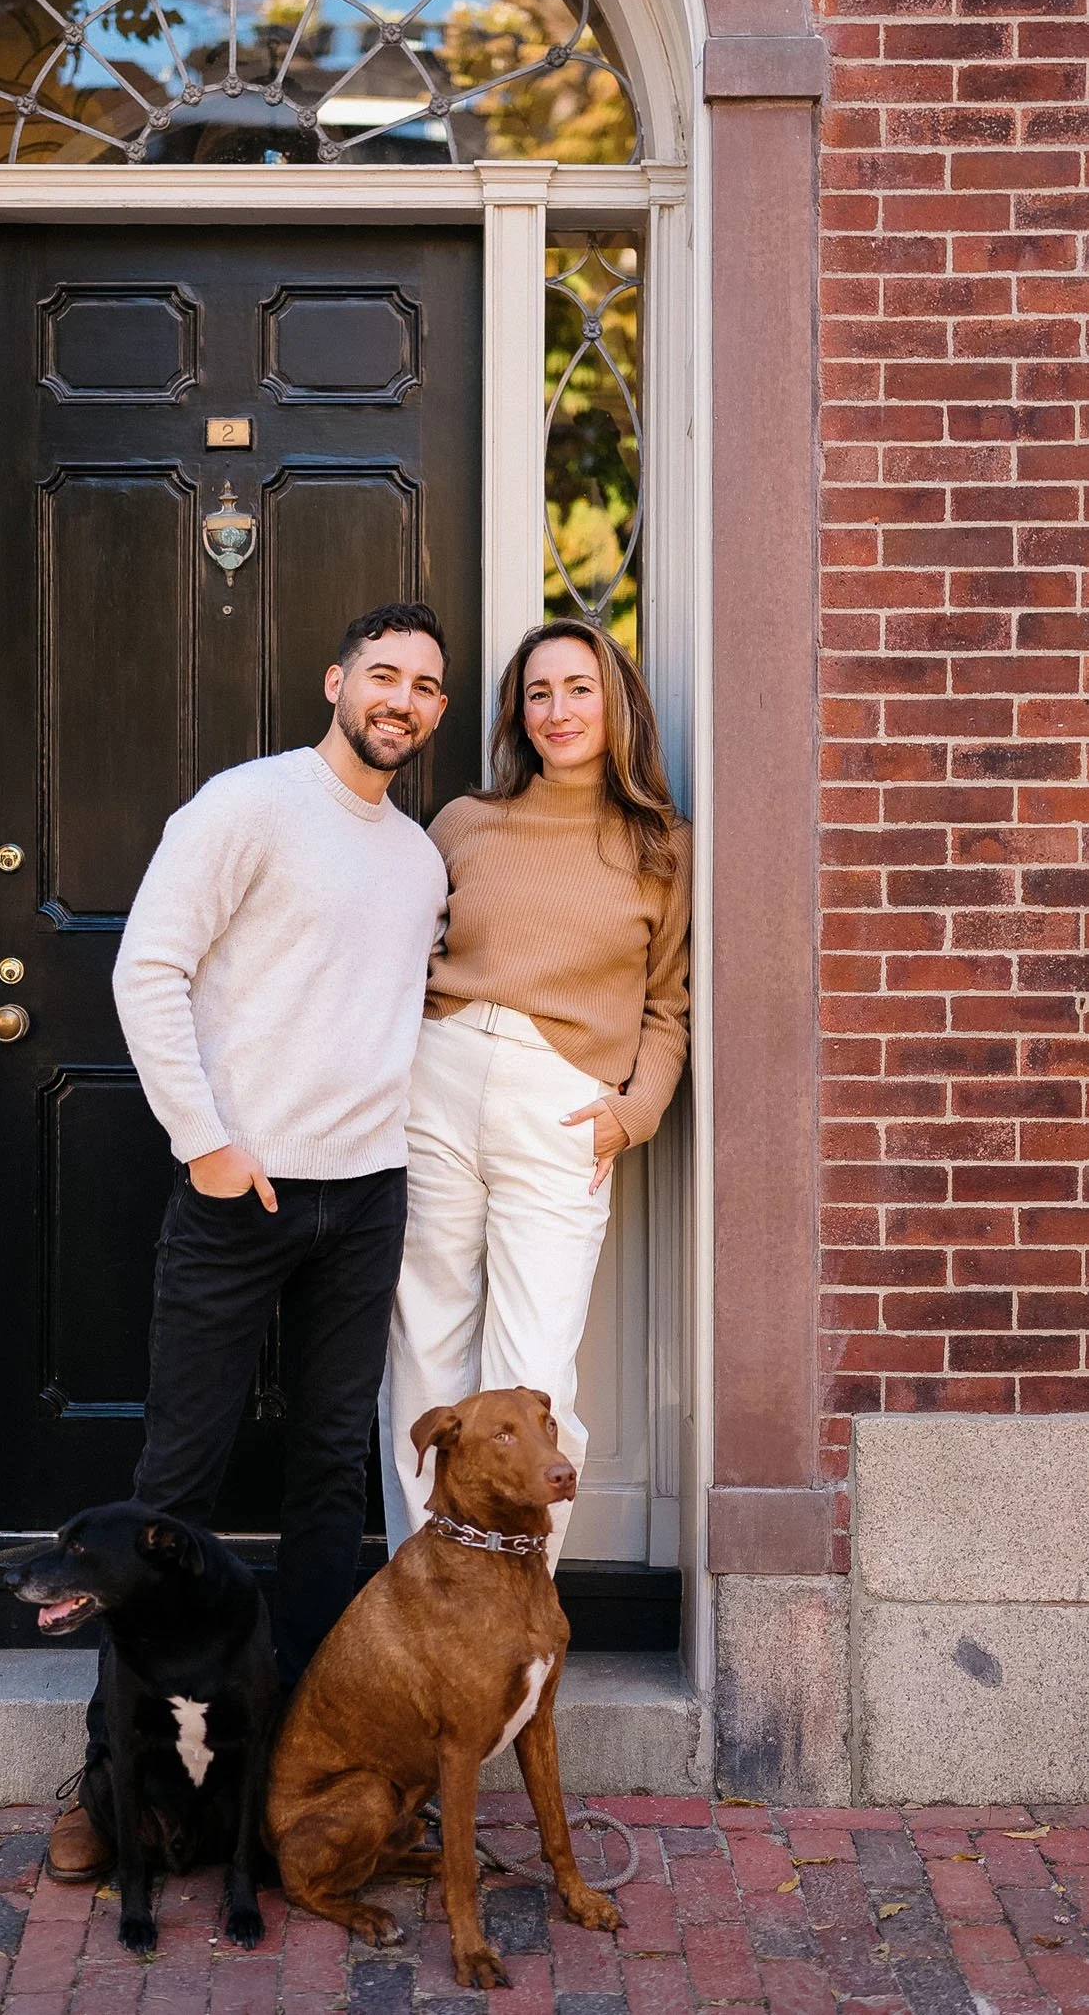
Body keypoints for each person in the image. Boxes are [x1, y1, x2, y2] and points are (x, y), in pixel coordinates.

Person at [48, 601, 452, 1882]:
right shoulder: (248, 805)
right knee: (175, 1482)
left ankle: (307, 1765)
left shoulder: (420, 859)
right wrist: (206, 1140)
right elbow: (148, 968)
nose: (402, 698)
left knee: (332, 1476)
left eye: (426, 686)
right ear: (335, 680)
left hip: (365, 1196)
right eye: (382, 674)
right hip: (239, 1193)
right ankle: (107, 1779)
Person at [380, 617, 691, 1570]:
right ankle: (422, 1590)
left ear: (616, 704)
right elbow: (396, 961)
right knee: (424, 1349)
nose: (558, 711)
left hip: (559, 1108)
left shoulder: (660, 848)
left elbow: (668, 1009)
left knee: (533, 1374)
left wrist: (633, 1116)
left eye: (579, 688)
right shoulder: (464, 825)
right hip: (439, 1081)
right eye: (539, 692)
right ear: (520, 711)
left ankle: (512, 1610)